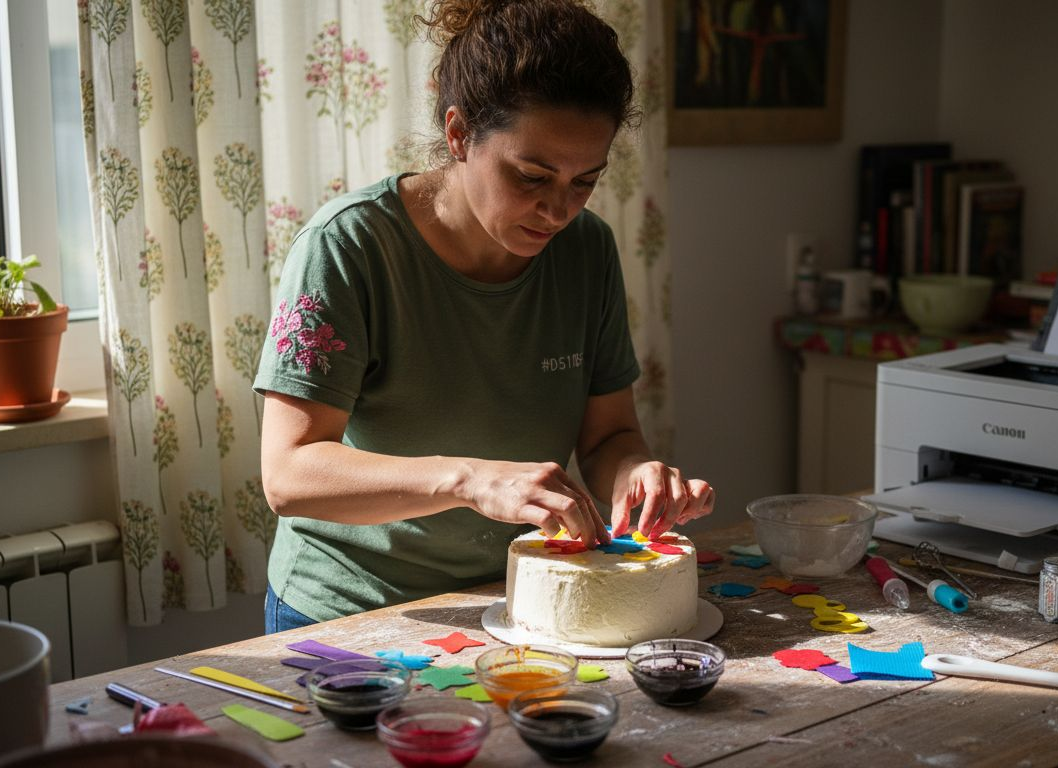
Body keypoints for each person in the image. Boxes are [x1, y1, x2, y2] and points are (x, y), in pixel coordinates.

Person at [255, 0, 716, 634]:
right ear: (458, 133)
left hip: (517, 597)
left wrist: (636, 478)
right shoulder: (349, 247)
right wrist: (472, 479)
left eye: (585, 181)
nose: (557, 210)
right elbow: (289, 473)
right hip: (351, 613)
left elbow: (608, 437)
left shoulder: (588, 250)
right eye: (532, 175)